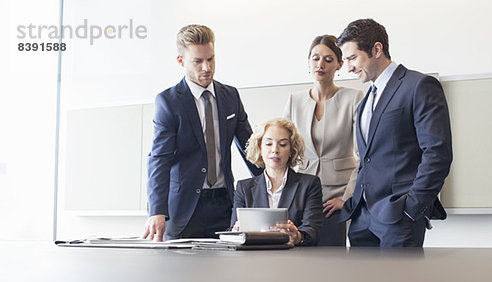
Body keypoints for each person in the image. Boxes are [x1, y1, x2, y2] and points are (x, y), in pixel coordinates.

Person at [336, 19, 453, 247]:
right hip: (361, 220)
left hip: (399, 217)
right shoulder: (365, 101)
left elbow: (437, 154)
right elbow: (368, 160)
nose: (348, 67)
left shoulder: (419, 86)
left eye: (352, 58)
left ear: (376, 49)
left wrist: (412, 208)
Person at [143, 24, 260, 241]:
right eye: (198, 61)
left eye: (211, 59)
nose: (206, 67)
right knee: (181, 274)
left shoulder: (230, 96)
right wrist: (157, 210)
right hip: (185, 209)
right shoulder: (169, 102)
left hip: (225, 205)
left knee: (224, 273)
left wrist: (276, 189)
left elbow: (250, 149)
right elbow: (159, 158)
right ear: (181, 61)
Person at [283, 35, 364, 246]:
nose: (320, 64)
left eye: (328, 60)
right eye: (315, 58)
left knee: (332, 258)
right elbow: (284, 149)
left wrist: (347, 198)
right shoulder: (294, 100)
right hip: (302, 194)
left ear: (339, 64)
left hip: (336, 195)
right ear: (308, 61)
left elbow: (364, 155)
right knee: (300, 258)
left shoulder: (353, 98)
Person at [230, 118, 323, 246]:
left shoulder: (310, 184)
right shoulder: (243, 187)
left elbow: (312, 231)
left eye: (283, 144)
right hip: (254, 259)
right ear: (260, 148)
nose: (275, 150)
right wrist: (235, 232)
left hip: (295, 258)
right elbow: (233, 231)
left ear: (291, 150)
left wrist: (298, 236)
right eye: (268, 144)